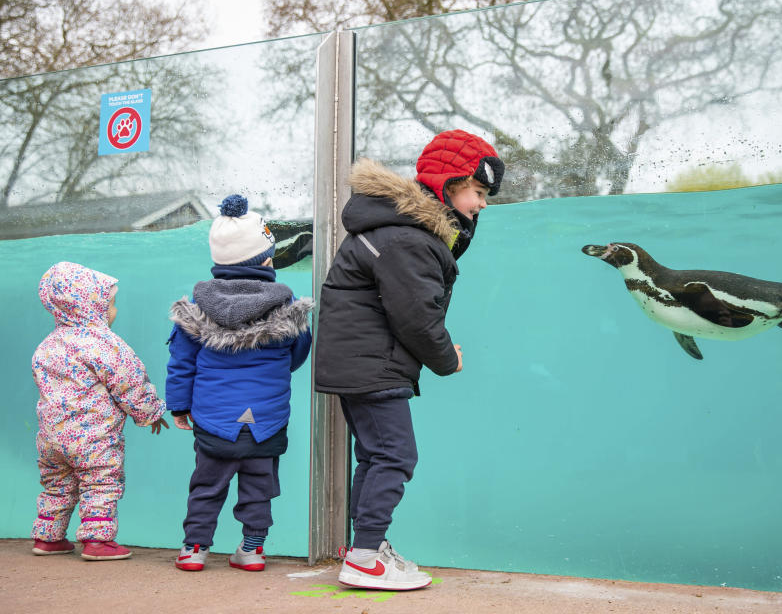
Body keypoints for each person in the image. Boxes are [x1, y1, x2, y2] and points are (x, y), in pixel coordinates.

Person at [314, 129, 505, 591]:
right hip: (374, 366)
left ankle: (365, 547)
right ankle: (363, 558)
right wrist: (447, 359)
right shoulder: (407, 238)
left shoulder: (397, 230)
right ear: (447, 183)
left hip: (363, 363)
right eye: (476, 191)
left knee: (376, 456)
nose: (481, 204)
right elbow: (417, 317)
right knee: (396, 456)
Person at [166, 194, 312, 572]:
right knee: (259, 487)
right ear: (266, 260)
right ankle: (251, 550)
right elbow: (297, 356)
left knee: (207, 485)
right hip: (267, 418)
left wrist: (179, 407)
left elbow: (182, 364)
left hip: (213, 418)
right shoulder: (288, 304)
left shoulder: (196, 307)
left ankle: (194, 549)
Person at [31, 261, 168, 561]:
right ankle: (97, 540)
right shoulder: (104, 344)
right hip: (93, 439)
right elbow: (129, 382)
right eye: (111, 304)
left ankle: (48, 537)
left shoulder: (46, 346)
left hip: (51, 439)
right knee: (101, 481)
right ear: (90, 306)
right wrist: (150, 412)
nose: (114, 310)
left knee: (57, 486)